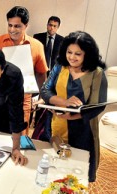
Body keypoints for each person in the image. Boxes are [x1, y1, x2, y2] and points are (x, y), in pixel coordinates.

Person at [40, 31, 108, 182]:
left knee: (75, 173)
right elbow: (45, 90)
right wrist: (64, 102)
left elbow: (98, 106)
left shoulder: (96, 73)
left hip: (82, 129)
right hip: (54, 122)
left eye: (78, 54)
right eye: (69, 52)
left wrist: (72, 116)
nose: (72, 57)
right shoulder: (60, 67)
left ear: (87, 54)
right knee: (50, 167)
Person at [0, 6, 48, 135]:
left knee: (20, 137)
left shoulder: (36, 46)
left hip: (23, 99)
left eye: (17, 26)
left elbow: (41, 73)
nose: (12, 30)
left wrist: (40, 95)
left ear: (26, 25)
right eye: (10, 25)